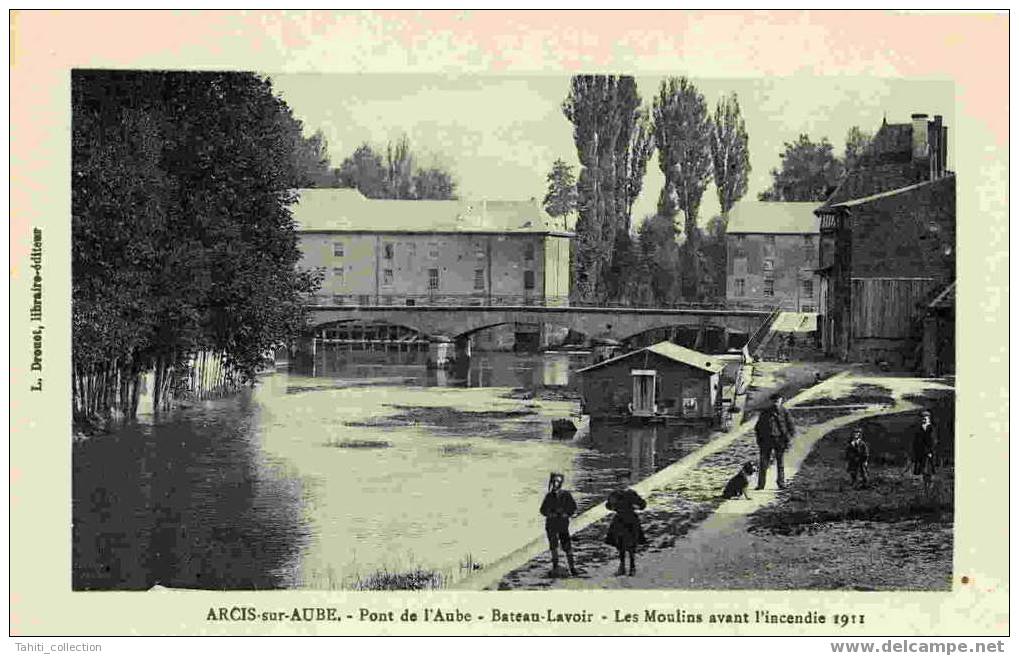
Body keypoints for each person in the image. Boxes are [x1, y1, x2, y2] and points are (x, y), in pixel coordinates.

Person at [604, 473, 647, 576]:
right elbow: (608, 505)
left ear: (628, 482)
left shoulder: (632, 493)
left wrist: (638, 506)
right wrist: (611, 506)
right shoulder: (614, 494)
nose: (623, 482)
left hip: (631, 521)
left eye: (625, 480)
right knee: (620, 545)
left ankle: (632, 567)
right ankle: (622, 567)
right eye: (621, 481)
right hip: (619, 521)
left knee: (632, 545)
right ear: (618, 482)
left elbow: (643, 504)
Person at [539, 472, 578, 576]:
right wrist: (550, 513)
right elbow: (542, 510)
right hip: (551, 525)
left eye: (557, 482)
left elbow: (573, 508)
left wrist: (566, 514)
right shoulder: (549, 496)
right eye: (554, 482)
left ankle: (572, 568)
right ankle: (555, 567)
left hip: (562, 525)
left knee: (567, 546)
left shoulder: (566, 495)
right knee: (553, 547)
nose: (555, 484)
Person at [755, 393, 795, 490]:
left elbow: (791, 426)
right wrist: (760, 440)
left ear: (781, 401)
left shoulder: (785, 412)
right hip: (766, 441)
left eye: (778, 400)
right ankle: (761, 484)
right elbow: (758, 427)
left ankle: (781, 483)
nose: (776, 402)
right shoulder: (765, 412)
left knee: (780, 463)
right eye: (774, 401)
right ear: (771, 401)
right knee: (763, 463)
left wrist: (788, 439)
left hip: (779, 440)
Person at [911, 409, 938, 494]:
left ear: (929, 419)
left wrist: (930, 452)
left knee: (928, 471)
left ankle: (929, 489)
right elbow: (915, 442)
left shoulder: (931, 429)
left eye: (925, 418)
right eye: (922, 418)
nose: (923, 420)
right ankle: (920, 490)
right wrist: (914, 453)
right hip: (919, 454)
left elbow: (933, 442)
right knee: (919, 471)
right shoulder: (918, 429)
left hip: (928, 454)